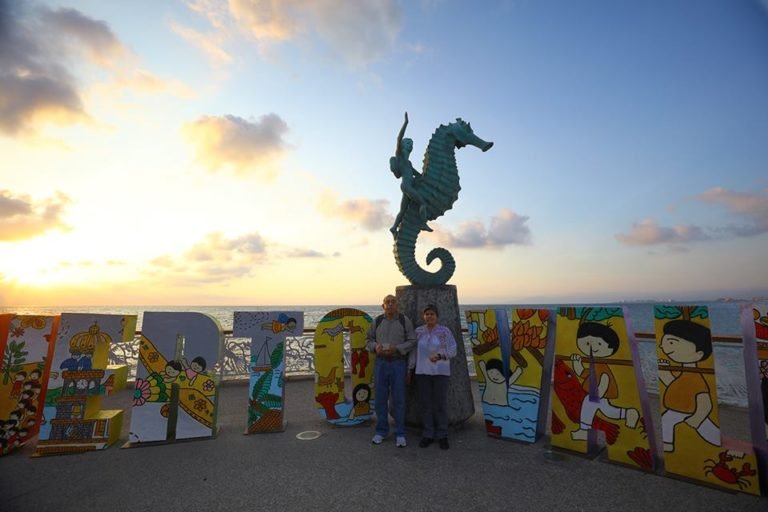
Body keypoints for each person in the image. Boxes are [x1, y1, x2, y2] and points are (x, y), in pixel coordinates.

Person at [569, 322, 639, 441]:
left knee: (588, 404)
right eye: (586, 343)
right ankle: (628, 413)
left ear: (611, 348)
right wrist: (577, 364)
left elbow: (605, 379)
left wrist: (597, 395)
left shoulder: (601, 365)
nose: (592, 347)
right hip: (598, 394)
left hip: (599, 393)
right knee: (609, 412)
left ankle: (583, 430)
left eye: (599, 343)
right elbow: (582, 373)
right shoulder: (594, 362)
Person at [657, 319, 720, 452]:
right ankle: (668, 445)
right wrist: (665, 373)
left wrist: (696, 418)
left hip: (689, 411)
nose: (663, 347)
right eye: (664, 343)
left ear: (699, 354)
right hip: (676, 410)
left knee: (709, 432)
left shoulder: (697, 379)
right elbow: (675, 386)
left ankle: (716, 444)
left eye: (672, 342)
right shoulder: (685, 374)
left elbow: (705, 403)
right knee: (667, 420)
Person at [366, 294, 416, 447]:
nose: (390, 304)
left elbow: (413, 340)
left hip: (398, 363)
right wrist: (376, 347)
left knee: (399, 399)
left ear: (397, 305)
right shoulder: (377, 321)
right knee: (380, 399)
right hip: (381, 363)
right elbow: (368, 340)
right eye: (387, 302)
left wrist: (398, 348)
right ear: (383, 306)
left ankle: (400, 433)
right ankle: (381, 431)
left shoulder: (404, 321)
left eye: (393, 302)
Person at [410, 304, 457, 449]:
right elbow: (413, 352)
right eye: (427, 314)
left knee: (440, 405)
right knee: (426, 405)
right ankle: (428, 434)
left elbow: (453, 350)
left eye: (432, 314)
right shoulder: (418, 331)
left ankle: (442, 435)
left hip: (440, 373)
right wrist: (409, 368)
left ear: (437, 316)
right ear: (423, 316)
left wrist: (441, 355)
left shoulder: (445, 331)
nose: (429, 316)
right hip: (422, 373)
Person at [389, 112, 431, 237]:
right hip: (406, 186)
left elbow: (419, 175)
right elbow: (398, 138)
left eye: (411, 144)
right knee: (423, 203)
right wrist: (406, 123)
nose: (410, 145)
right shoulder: (400, 157)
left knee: (402, 211)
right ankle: (422, 223)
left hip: (409, 187)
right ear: (402, 146)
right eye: (407, 142)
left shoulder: (409, 163)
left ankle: (394, 227)